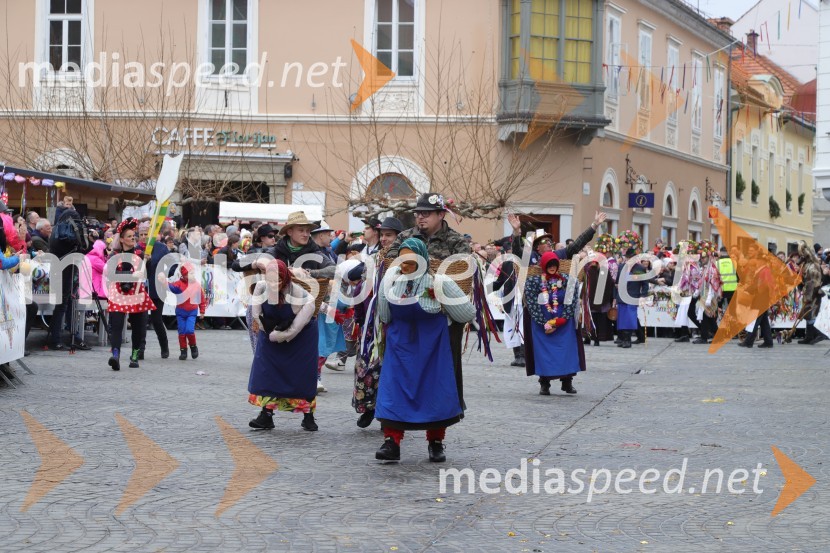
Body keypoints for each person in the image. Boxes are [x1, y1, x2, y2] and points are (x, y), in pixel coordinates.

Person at [374, 237, 476, 462]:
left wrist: (447, 317)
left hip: (433, 349)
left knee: (435, 392)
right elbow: (385, 316)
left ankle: (435, 442)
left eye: (410, 260)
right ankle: (391, 442)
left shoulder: (439, 282)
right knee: (394, 391)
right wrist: (385, 285)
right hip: (400, 349)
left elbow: (467, 313)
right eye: (402, 260)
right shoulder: (391, 282)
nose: (404, 265)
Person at [386, 193, 471, 412]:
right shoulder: (405, 236)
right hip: (409, 309)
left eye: (426, 213)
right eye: (418, 213)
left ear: (441, 214)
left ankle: (450, 405)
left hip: (445, 313)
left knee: (447, 360)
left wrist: (426, 267)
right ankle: (403, 406)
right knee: (406, 360)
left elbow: (464, 268)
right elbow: (391, 260)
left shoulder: (456, 240)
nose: (420, 217)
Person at [247, 259, 319, 432]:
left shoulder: (302, 296)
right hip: (270, 330)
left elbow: (295, 328)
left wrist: (279, 336)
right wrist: (268, 330)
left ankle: (308, 416)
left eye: (278, 280)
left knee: (302, 374)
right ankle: (266, 415)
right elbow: (257, 314)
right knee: (267, 372)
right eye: (270, 280)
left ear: (285, 278)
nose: (274, 284)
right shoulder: (260, 288)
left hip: (301, 336)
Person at [352, 216, 403, 428]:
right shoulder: (374, 258)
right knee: (366, 366)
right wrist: (360, 317)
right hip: (370, 322)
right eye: (382, 235)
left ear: (398, 237)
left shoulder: (406, 260)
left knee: (389, 369)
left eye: (388, 235)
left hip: (394, 322)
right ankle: (368, 408)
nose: (383, 239)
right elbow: (359, 283)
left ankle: (386, 412)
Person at [524, 251, 583, 394]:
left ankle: (567, 382)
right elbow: (531, 302)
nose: (552, 267)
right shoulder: (534, 281)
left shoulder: (567, 280)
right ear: (544, 265)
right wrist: (544, 322)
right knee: (543, 354)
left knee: (566, 351)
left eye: (554, 264)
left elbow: (572, 299)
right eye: (549, 264)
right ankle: (544, 383)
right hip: (542, 322)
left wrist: (562, 319)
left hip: (563, 321)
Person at [106, 218, 156, 370]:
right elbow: (111, 274)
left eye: (133, 236)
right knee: (117, 325)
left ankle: (134, 355)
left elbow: (149, 273)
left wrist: (147, 263)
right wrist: (131, 275)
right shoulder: (114, 255)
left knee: (138, 326)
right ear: (121, 239)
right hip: (118, 293)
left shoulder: (140, 254)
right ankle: (115, 355)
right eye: (129, 236)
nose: (133, 238)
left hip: (136, 292)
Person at [161, 263, 207, 360]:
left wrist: (202, 310)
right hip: (181, 312)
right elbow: (171, 287)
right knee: (181, 332)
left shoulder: (197, 285)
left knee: (189, 330)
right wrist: (164, 282)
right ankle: (183, 350)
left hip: (192, 312)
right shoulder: (179, 284)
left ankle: (193, 346)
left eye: (193, 273)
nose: (193, 275)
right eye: (191, 273)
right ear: (184, 275)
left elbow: (202, 299)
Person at [613, 233, 648, 349]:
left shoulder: (640, 268)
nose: (628, 260)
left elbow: (645, 284)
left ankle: (627, 340)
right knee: (622, 319)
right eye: (627, 258)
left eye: (631, 258)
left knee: (630, 318)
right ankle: (623, 338)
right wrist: (615, 297)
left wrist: (643, 296)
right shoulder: (621, 267)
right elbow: (616, 283)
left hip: (633, 296)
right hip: (621, 296)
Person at [581, 235, 616, 346]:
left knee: (595, 318)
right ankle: (589, 337)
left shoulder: (600, 269)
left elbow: (608, 284)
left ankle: (595, 338)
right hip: (590, 298)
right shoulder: (588, 269)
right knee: (589, 317)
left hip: (597, 299)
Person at [795, 241, 828, 345]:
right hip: (810, 292)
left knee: (811, 313)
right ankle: (809, 337)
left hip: (813, 292)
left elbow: (812, 282)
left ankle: (818, 334)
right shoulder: (807, 265)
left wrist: (808, 296)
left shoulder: (813, 266)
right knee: (808, 314)